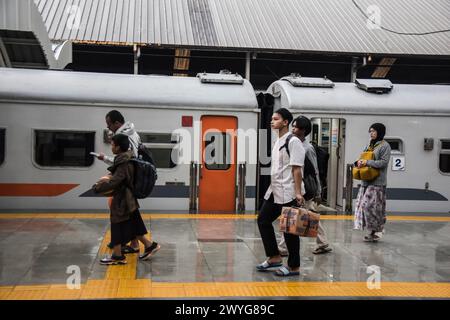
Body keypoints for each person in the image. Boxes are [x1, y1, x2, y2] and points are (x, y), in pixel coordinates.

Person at [93, 134, 160, 265]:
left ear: (118, 147)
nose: (111, 147)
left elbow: (116, 181)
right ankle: (149, 245)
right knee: (135, 225)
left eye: (112, 144)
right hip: (129, 199)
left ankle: (118, 256)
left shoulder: (123, 162)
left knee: (117, 225)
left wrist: (97, 187)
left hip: (123, 200)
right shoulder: (127, 158)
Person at [256, 108, 305, 277]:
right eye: (271, 118)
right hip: (275, 190)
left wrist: (298, 193)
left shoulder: (293, 141)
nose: (272, 121)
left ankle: (294, 267)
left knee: (289, 230)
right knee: (263, 220)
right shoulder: (278, 140)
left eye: (276, 119)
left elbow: (297, 169)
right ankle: (274, 257)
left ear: (285, 122)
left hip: (289, 191)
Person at [278, 116, 332, 255]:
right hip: (296, 186)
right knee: (307, 214)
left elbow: (315, 171)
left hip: (305, 187)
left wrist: (318, 192)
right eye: (293, 126)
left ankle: (284, 248)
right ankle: (323, 243)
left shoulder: (307, 148)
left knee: (293, 215)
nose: (293, 129)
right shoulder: (292, 143)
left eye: (296, 127)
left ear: (304, 131)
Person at [95, 110, 144, 254]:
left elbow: (124, 160)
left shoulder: (123, 136)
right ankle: (132, 243)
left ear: (117, 123)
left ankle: (120, 245)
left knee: (119, 211)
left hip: (126, 182)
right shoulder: (133, 133)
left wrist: (106, 162)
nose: (108, 128)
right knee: (130, 211)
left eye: (109, 124)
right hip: (131, 179)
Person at [354, 123, 391, 242]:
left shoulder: (385, 146)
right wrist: (358, 162)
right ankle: (373, 231)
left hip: (378, 182)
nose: (371, 133)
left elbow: (383, 163)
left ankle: (377, 230)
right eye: (370, 131)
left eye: (374, 131)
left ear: (380, 132)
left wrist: (367, 162)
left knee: (371, 206)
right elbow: (362, 157)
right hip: (366, 181)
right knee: (364, 207)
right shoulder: (369, 145)